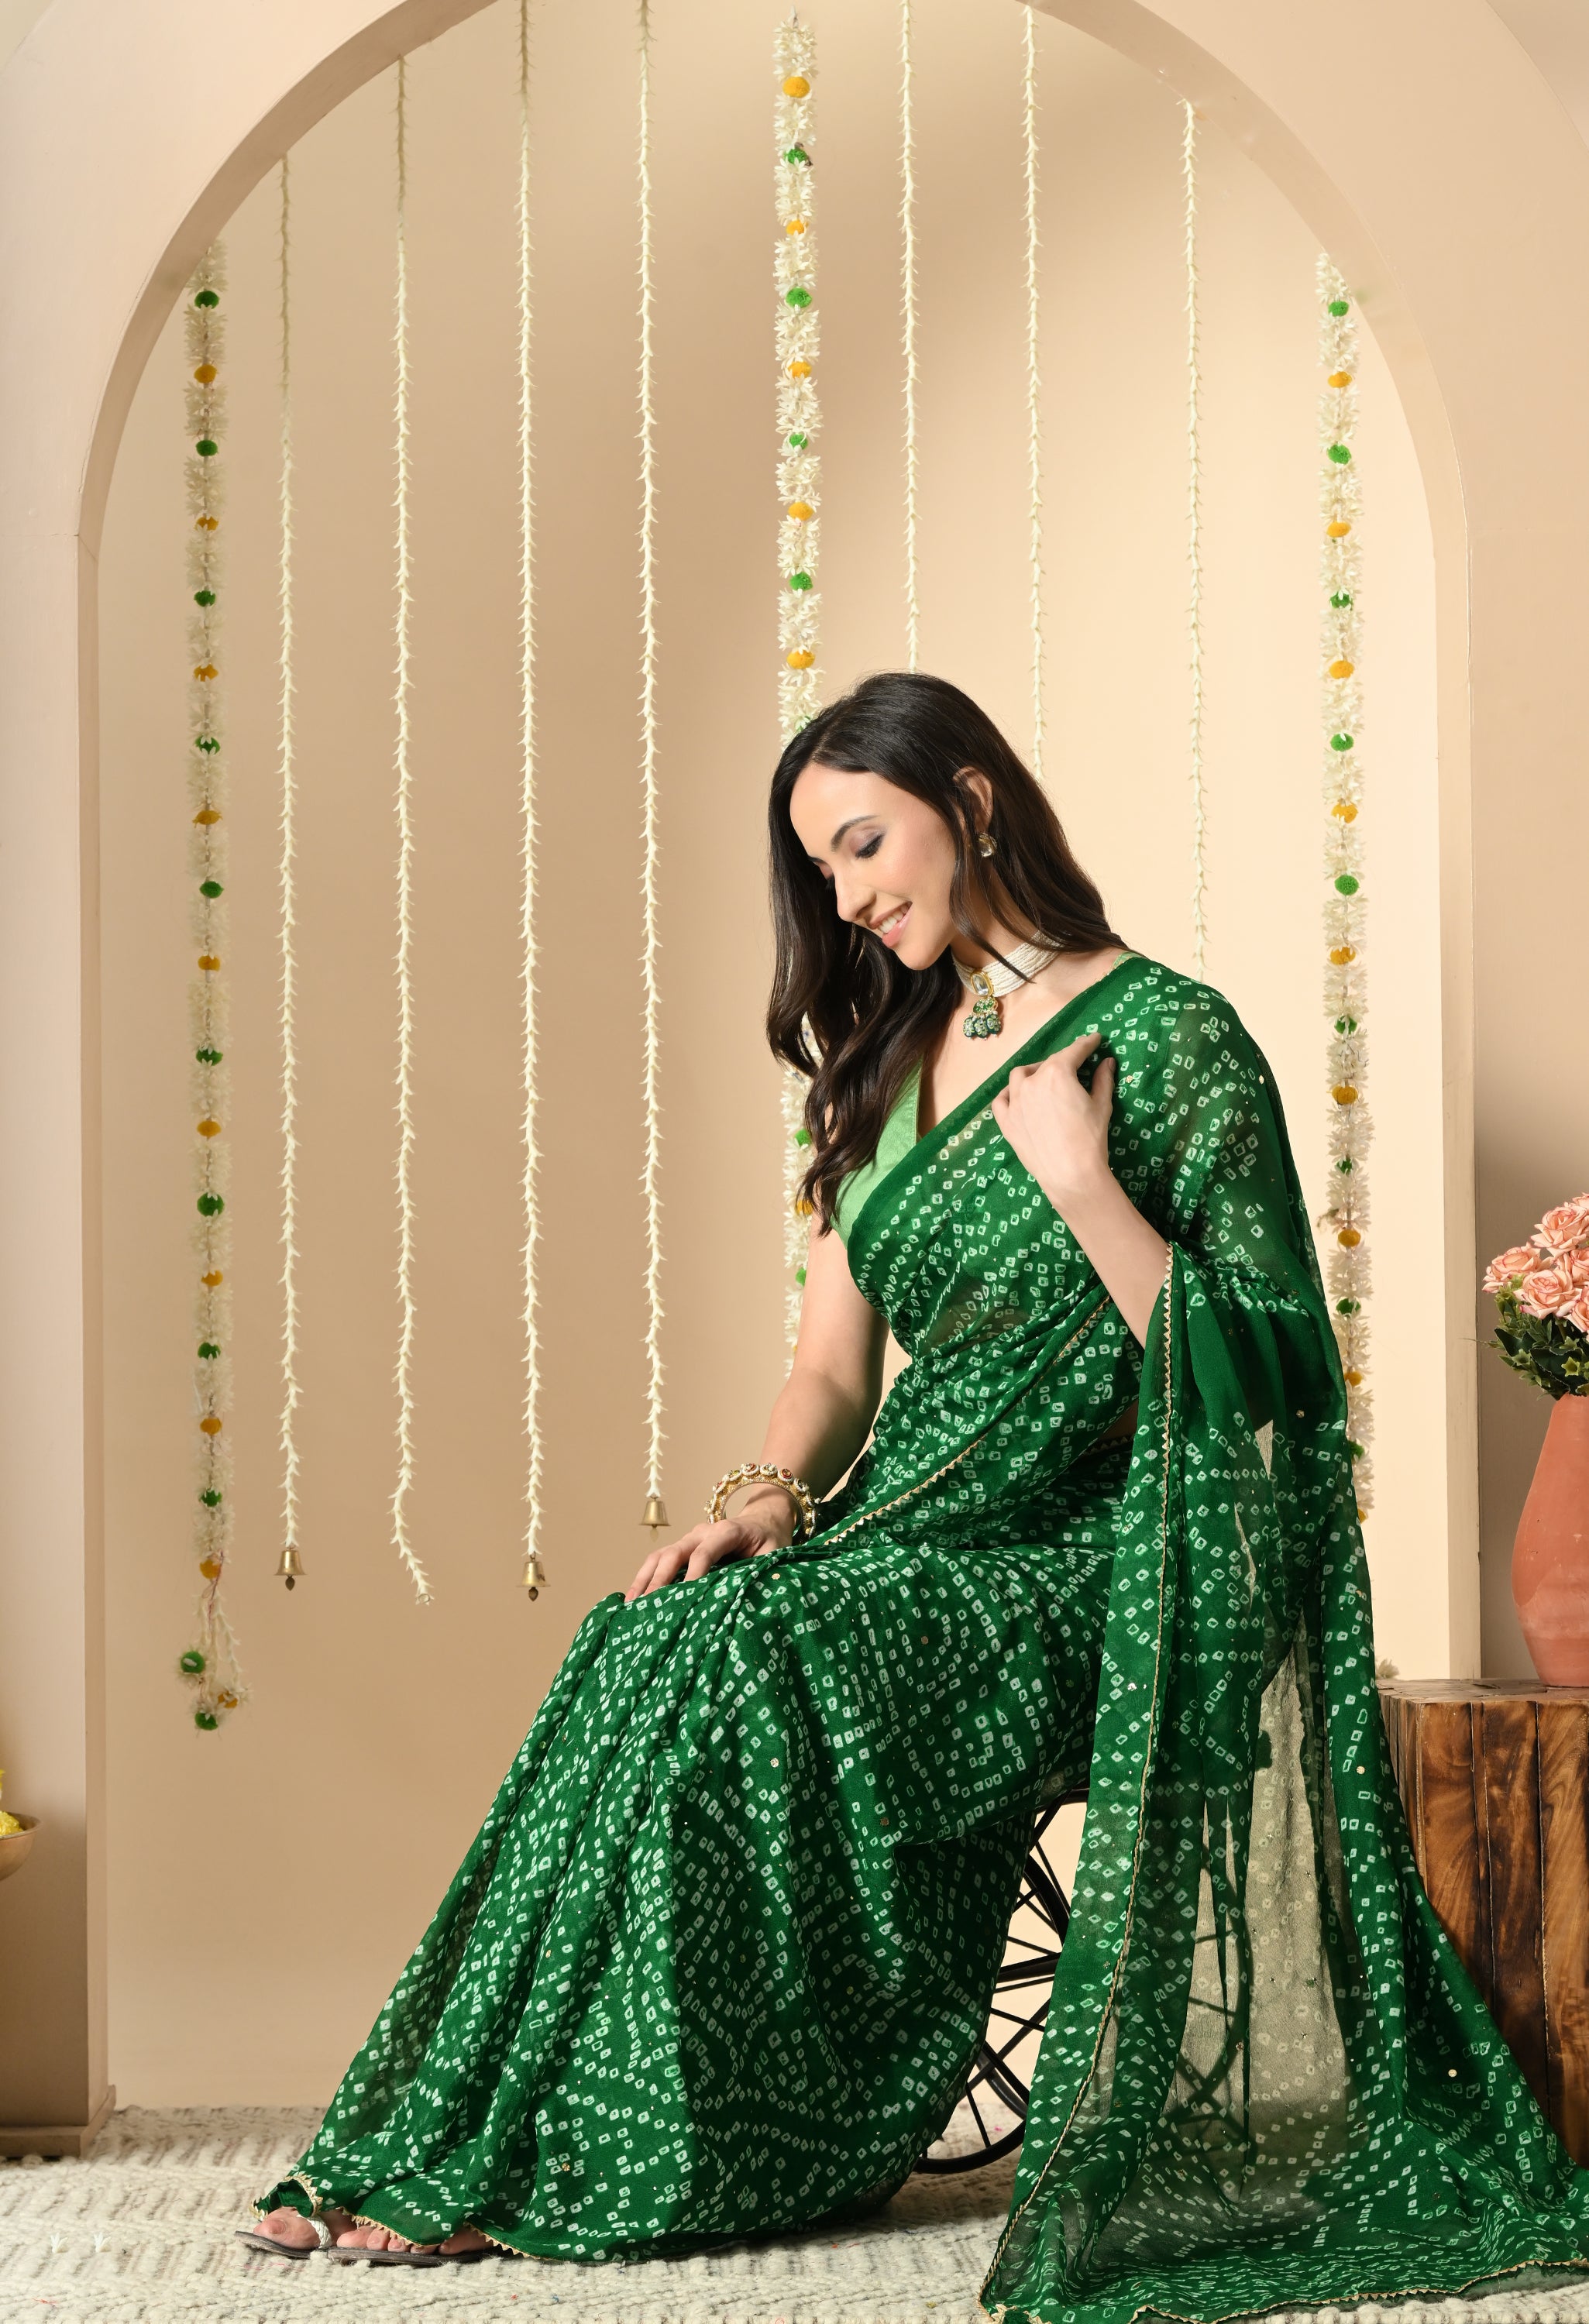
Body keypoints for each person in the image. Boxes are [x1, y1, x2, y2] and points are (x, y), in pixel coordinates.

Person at [243, 673, 1589, 2319]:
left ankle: (638, 2156)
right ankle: (479, 2141)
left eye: (864, 844)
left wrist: (1088, 1186)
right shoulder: (884, 1061)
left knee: (738, 1661)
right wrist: (764, 1498)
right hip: (901, 1532)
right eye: (821, 872)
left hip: (1096, 1558)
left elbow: (1276, 1380)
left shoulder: (1172, 1038)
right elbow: (828, 1370)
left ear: (973, 800)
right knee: (649, 1636)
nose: (848, 895)